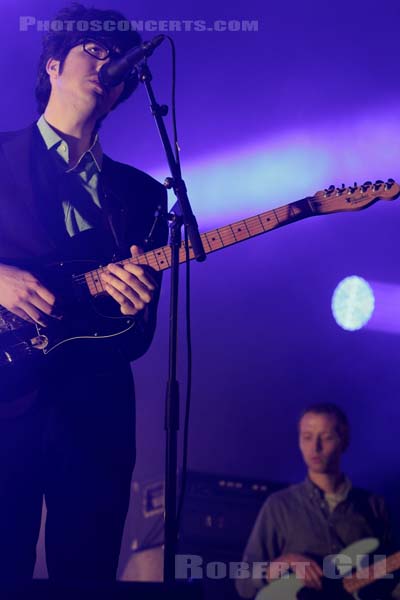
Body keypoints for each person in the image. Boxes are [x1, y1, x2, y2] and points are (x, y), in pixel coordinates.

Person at [0, 3, 168, 588]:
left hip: (95, 415)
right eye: (92, 50)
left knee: (86, 578)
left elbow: (138, 338)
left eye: (116, 56)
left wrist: (132, 304)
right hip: (5, 402)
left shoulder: (144, 195)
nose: (107, 62)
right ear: (52, 65)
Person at [236, 403, 398, 599]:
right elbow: (243, 583)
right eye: (307, 437)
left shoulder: (375, 506)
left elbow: (392, 583)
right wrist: (281, 564)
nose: (315, 447)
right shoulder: (279, 505)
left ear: (344, 441)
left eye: (327, 437)